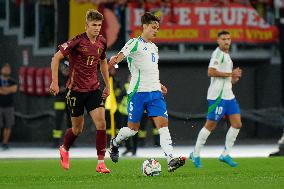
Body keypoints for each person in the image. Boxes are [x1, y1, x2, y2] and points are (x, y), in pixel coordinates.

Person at [108, 12, 186, 172]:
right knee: (132, 130)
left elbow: (151, 70)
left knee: (163, 126)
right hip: (138, 93)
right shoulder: (134, 43)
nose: (156, 31)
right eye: (153, 27)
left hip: (155, 93)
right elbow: (122, 54)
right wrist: (115, 60)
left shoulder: (154, 47)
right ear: (144, 27)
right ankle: (114, 143)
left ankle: (171, 159)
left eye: (157, 28)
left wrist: (159, 84)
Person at [49, 9, 111, 174]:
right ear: (86, 25)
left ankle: (100, 163)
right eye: (94, 25)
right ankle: (64, 148)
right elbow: (55, 58)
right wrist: (55, 82)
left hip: (93, 89)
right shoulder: (77, 41)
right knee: (78, 129)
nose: (97, 28)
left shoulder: (102, 42)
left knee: (101, 123)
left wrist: (107, 84)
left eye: (99, 25)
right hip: (75, 91)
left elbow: (103, 62)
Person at [189, 30, 242, 168]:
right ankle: (195, 153)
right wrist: (231, 73)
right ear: (218, 41)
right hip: (217, 96)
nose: (226, 41)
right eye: (223, 39)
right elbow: (210, 72)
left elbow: (226, 79)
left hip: (228, 95)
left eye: (229, 39)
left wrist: (233, 78)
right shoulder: (217, 54)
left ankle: (225, 154)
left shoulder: (227, 56)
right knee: (210, 126)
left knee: (237, 124)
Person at [52, 61, 72, 148]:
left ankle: (70, 142)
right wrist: (61, 89)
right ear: (62, 68)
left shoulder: (71, 77)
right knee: (57, 122)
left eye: (68, 69)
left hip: (69, 101)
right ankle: (55, 142)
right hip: (59, 101)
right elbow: (53, 90)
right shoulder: (56, 77)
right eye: (65, 68)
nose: (67, 70)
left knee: (70, 122)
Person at [0, 63, 17, 150]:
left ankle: (5, 142)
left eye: (8, 69)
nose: (6, 70)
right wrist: (8, 90)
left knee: (8, 125)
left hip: (9, 106)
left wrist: (4, 89)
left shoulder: (12, 81)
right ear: (1, 70)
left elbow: (14, 89)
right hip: (0, 106)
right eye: (5, 69)